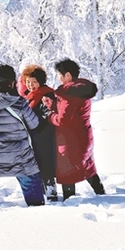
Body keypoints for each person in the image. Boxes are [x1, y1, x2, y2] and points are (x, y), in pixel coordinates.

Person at [0, 65, 45, 211]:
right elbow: (34, 124)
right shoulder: (20, 102)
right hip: (20, 155)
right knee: (30, 180)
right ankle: (37, 210)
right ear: (12, 82)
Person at [43, 59, 105, 200]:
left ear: (68, 75)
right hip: (83, 135)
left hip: (70, 140)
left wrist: (49, 116)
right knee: (87, 167)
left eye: (60, 74)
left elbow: (63, 120)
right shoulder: (81, 90)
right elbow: (71, 113)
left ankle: (69, 201)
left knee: (67, 171)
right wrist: (53, 105)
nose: (59, 78)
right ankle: (101, 193)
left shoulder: (68, 95)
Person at [19, 64, 58, 201]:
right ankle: (44, 190)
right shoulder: (31, 95)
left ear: (41, 81)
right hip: (36, 136)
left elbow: (48, 112)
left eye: (34, 82)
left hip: (45, 135)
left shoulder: (46, 94)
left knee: (46, 164)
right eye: (28, 82)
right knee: (40, 164)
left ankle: (51, 192)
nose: (30, 85)